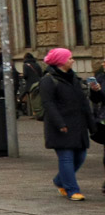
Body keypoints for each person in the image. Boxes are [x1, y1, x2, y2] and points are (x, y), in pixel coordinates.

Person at [41, 47, 90, 201]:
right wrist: (59, 123)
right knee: (66, 157)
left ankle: (60, 180)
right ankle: (71, 190)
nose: (73, 60)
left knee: (80, 156)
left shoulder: (73, 78)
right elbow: (48, 104)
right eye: (69, 58)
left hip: (78, 125)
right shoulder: (48, 79)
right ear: (61, 61)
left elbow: (83, 102)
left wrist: (91, 123)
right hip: (60, 126)